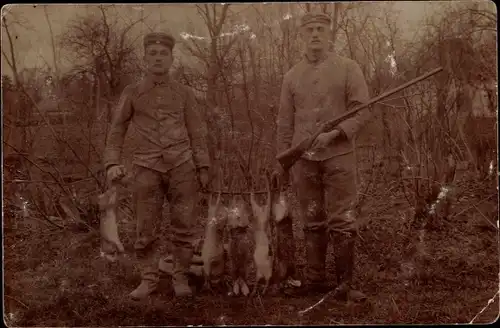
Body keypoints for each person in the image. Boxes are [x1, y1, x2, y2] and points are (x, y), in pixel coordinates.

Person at [103, 31, 211, 299]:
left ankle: (181, 278)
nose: (158, 58)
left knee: (184, 225)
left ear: (172, 58)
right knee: (145, 227)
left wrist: (203, 167)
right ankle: (148, 280)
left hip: (182, 166)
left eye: (163, 53)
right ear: (145, 58)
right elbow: (117, 130)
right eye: (152, 53)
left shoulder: (184, 93)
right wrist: (112, 163)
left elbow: (197, 132)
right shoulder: (133, 93)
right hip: (146, 167)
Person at [274, 12, 370, 302]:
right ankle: (315, 280)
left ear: (330, 35)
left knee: (342, 219)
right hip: (304, 162)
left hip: (339, 156)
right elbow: (285, 124)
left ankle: (345, 285)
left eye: (320, 29)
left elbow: (363, 110)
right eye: (309, 30)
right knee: (312, 220)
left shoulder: (348, 68)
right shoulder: (291, 76)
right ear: (301, 36)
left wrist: (337, 133)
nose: (315, 34)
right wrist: (282, 162)